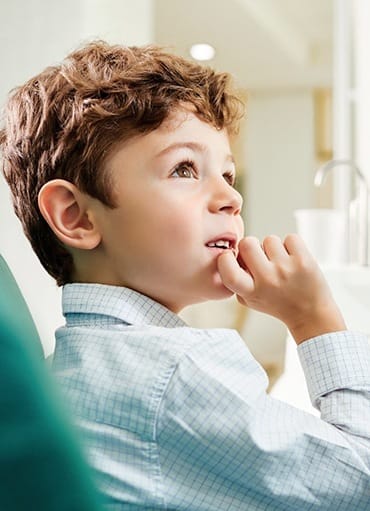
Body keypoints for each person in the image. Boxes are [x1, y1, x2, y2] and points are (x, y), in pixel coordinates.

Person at [1, 41, 369, 511]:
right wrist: (314, 318)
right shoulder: (173, 370)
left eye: (228, 176)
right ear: (77, 216)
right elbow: (360, 485)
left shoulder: (82, 364)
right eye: (184, 169)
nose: (231, 199)